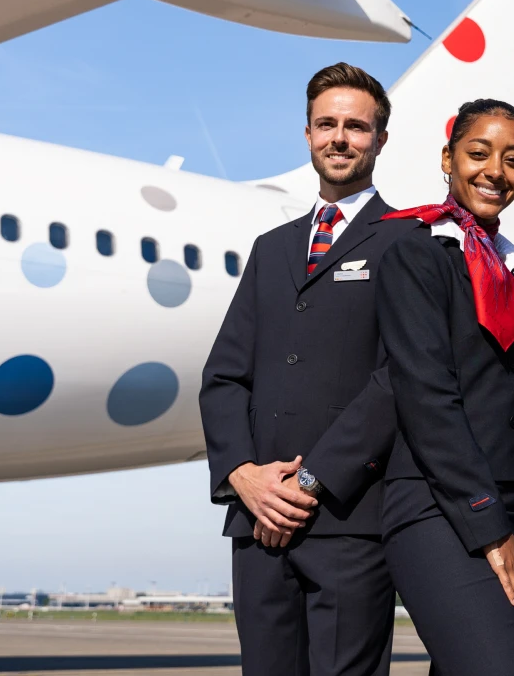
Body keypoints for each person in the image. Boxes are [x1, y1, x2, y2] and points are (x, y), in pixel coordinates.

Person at [199, 62, 413, 676]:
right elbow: (224, 378)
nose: (339, 137)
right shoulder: (273, 248)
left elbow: (397, 379)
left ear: (381, 139)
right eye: (326, 124)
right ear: (307, 134)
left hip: (349, 521)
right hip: (256, 519)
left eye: (356, 126)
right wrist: (242, 475)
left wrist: (309, 482)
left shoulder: (410, 242)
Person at [373, 99, 514, 676]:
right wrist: (488, 523)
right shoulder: (417, 252)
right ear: (447, 159)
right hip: (444, 507)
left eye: (513, 160)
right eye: (478, 153)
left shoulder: (506, 266)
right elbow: (427, 397)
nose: (495, 170)